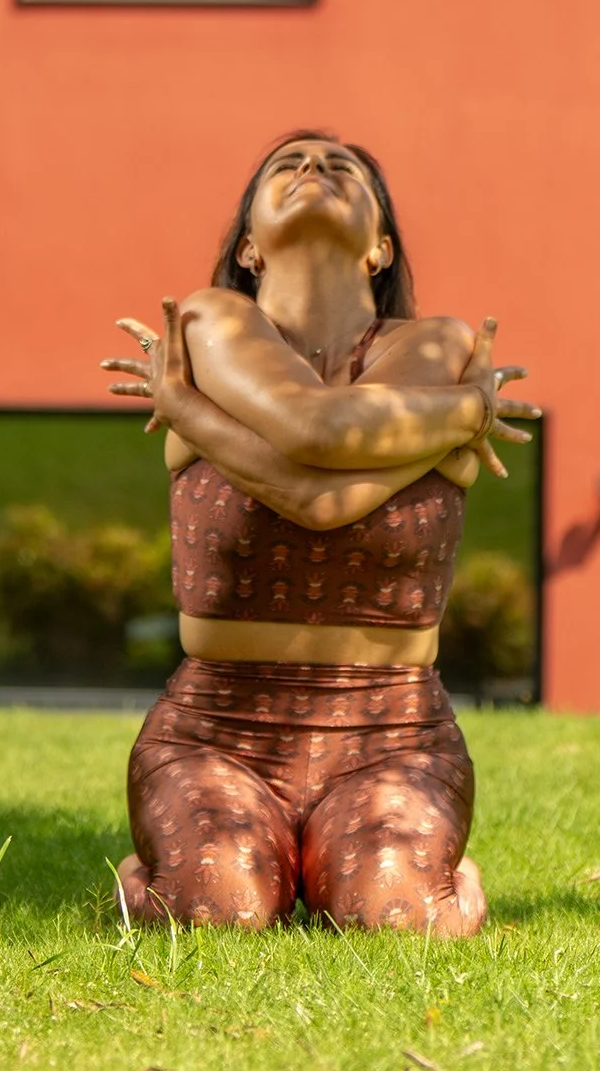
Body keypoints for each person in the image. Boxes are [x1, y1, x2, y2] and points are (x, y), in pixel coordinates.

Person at [102, 130, 532, 932]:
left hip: (395, 729)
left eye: (342, 169)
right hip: (216, 726)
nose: (313, 170)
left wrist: (195, 414)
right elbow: (317, 443)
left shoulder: (437, 345)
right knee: (213, 912)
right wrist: (466, 413)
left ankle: (438, 877)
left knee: (393, 919)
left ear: (380, 247)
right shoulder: (207, 322)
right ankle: (151, 875)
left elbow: (315, 479)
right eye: (287, 166)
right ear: (247, 247)